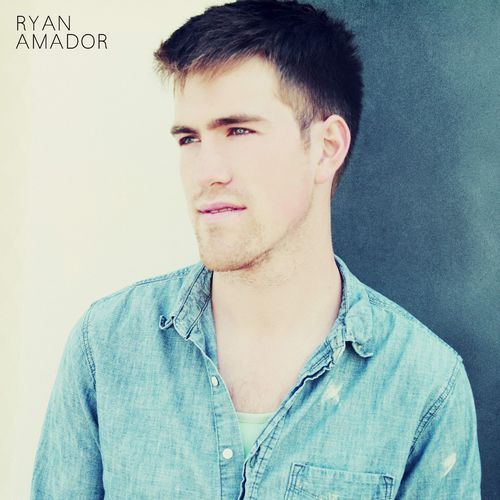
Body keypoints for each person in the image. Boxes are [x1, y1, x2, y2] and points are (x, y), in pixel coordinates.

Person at [31, 0, 481, 498]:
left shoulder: (423, 387)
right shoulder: (107, 348)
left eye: (239, 131)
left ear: (326, 147)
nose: (207, 172)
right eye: (189, 139)